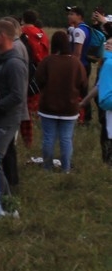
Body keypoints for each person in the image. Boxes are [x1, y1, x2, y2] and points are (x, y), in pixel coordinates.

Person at [0, 18, 28, 221]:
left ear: (2, 36)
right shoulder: (0, 60)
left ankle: (8, 207)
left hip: (5, 121)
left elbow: (18, 96)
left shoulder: (14, 64)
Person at [34, 31, 88, 173]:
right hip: (69, 107)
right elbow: (83, 84)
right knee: (66, 139)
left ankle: (47, 168)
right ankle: (66, 169)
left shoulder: (47, 61)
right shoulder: (75, 63)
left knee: (48, 138)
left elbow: (38, 80)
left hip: (48, 106)